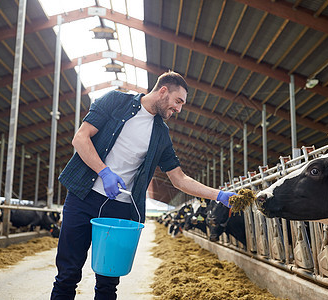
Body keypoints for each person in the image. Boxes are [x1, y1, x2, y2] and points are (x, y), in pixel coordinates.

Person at [51, 71, 237, 300]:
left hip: (119, 210)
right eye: (178, 101)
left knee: (108, 282)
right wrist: (104, 172)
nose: (179, 109)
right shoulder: (115, 101)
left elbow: (179, 178)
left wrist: (218, 194)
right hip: (82, 197)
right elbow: (80, 138)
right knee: (67, 274)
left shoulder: (161, 134)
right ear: (163, 91)